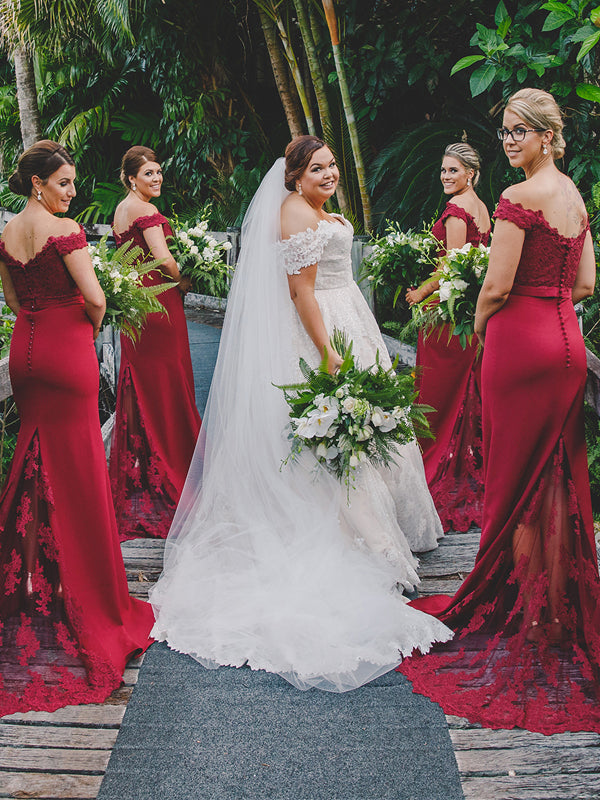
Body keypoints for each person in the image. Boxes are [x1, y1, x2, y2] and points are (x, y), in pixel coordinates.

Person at [150, 135, 452, 693]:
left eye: (333, 164)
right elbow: (301, 292)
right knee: (333, 439)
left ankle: (383, 533)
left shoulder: (312, 208)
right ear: (294, 177)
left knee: (365, 429)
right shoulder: (294, 212)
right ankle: (354, 541)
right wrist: (329, 352)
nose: (330, 173)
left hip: (348, 314)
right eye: (318, 168)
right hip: (323, 329)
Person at [398, 89, 600, 734]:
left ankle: (516, 608)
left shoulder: (520, 198)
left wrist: (484, 327)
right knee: (557, 479)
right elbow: (587, 283)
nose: (509, 141)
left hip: (520, 342)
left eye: (520, 132)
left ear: (546, 135)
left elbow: (496, 283)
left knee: (511, 482)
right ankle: (556, 607)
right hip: (567, 341)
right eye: (506, 132)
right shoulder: (571, 194)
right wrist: (549, 304)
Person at [0, 140, 154, 717]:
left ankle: (30, 590)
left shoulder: (9, 233)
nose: (71, 192)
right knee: (81, 472)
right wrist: (85, 329)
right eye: (63, 183)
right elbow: (95, 298)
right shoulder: (65, 233)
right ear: (40, 183)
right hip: (68, 349)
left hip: (26, 353)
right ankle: (89, 600)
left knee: (33, 466)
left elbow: (14, 301)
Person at [110, 146, 201, 541]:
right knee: (167, 384)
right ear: (132, 177)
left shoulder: (120, 210)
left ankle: (145, 470)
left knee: (145, 385)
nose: (157, 178)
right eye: (149, 173)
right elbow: (163, 258)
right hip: (158, 305)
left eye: (159, 172)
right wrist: (187, 276)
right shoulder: (146, 212)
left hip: (137, 308)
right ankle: (174, 465)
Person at [406, 143, 491, 533]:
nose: (445, 176)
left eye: (453, 171)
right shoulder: (482, 208)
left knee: (436, 397)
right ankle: (468, 467)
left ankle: (440, 470)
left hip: (448, 315)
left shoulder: (457, 213)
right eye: (443, 170)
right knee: (464, 392)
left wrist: (418, 293)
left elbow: (450, 267)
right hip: (469, 312)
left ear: (470, 173)